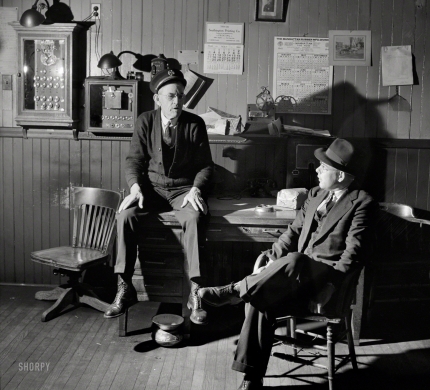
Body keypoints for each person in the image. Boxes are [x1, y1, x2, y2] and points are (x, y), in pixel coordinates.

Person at [198, 138, 376, 389]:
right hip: (293, 277)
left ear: (340, 175)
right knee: (261, 298)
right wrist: (271, 258)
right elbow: (291, 233)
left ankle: (235, 290)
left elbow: (353, 254)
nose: (317, 170)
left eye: (323, 168)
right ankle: (252, 378)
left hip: (324, 285)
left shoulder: (361, 202)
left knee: (295, 259)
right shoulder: (315, 195)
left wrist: (333, 286)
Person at [104, 68, 214, 325]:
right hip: (150, 190)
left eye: (181, 96)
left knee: (195, 219)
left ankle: (195, 293)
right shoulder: (145, 121)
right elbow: (134, 161)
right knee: (124, 216)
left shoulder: (194, 124)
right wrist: (135, 187)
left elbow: (206, 166)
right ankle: (124, 287)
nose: (177, 102)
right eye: (171, 96)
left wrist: (196, 188)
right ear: (157, 98)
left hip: (182, 191)